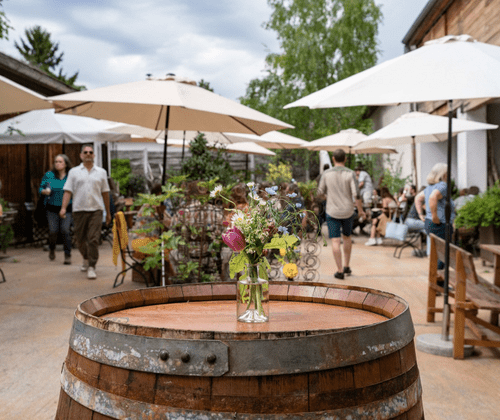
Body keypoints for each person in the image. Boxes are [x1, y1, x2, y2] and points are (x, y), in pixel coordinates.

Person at [60, 144, 111, 280]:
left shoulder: (101, 172)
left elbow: (105, 193)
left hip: (96, 210)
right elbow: (68, 191)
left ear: (94, 155)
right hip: (79, 210)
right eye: (85, 152)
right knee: (80, 239)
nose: (88, 154)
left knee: (93, 239)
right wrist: (63, 208)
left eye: (90, 152)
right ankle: (86, 258)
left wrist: (108, 212)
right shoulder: (74, 172)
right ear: (81, 155)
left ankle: (92, 266)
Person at [318, 149, 366, 280]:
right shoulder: (350, 173)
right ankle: (346, 266)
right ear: (345, 159)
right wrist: (360, 210)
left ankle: (339, 271)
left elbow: (319, 192)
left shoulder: (326, 174)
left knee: (335, 240)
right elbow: (356, 194)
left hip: (332, 211)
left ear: (333, 159)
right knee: (347, 237)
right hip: (348, 211)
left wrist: (328, 197)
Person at [415, 163, 455, 270]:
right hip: (440, 224)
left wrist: (421, 215)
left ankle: (437, 278)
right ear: (444, 174)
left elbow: (418, 198)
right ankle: (439, 279)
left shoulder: (430, 187)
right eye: (448, 172)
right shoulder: (443, 185)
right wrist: (435, 216)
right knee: (442, 256)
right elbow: (433, 197)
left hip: (430, 224)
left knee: (437, 254)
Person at [39, 154, 73, 264]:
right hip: (52, 208)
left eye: (60, 162)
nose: (57, 164)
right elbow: (41, 188)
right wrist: (44, 191)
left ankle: (67, 255)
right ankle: (52, 249)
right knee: (53, 231)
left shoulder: (70, 176)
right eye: (56, 162)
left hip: (67, 208)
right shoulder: (49, 175)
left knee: (65, 230)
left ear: (66, 164)